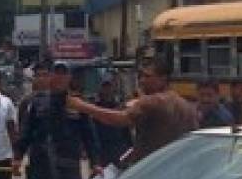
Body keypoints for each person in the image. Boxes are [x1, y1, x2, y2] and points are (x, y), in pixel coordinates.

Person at [67, 53, 197, 167]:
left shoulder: (153, 101)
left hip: (151, 169)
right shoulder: (185, 105)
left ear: (163, 79)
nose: (141, 81)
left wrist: (82, 106)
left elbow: (120, 119)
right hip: (178, 168)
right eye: (140, 76)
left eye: (147, 76)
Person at [14, 61, 99, 179]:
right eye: (56, 73)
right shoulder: (37, 102)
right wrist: (17, 157)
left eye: (63, 74)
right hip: (41, 163)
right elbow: (26, 132)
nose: (59, 77)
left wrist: (95, 163)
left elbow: (89, 135)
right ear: (51, 76)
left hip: (68, 164)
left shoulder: (77, 103)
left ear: (69, 78)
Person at [92, 77, 133, 168]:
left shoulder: (119, 106)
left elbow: (126, 128)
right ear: (101, 88)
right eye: (104, 87)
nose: (107, 90)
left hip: (120, 147)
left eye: (109, 87)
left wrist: (130, 146)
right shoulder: (96, 107)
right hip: (104, 149)